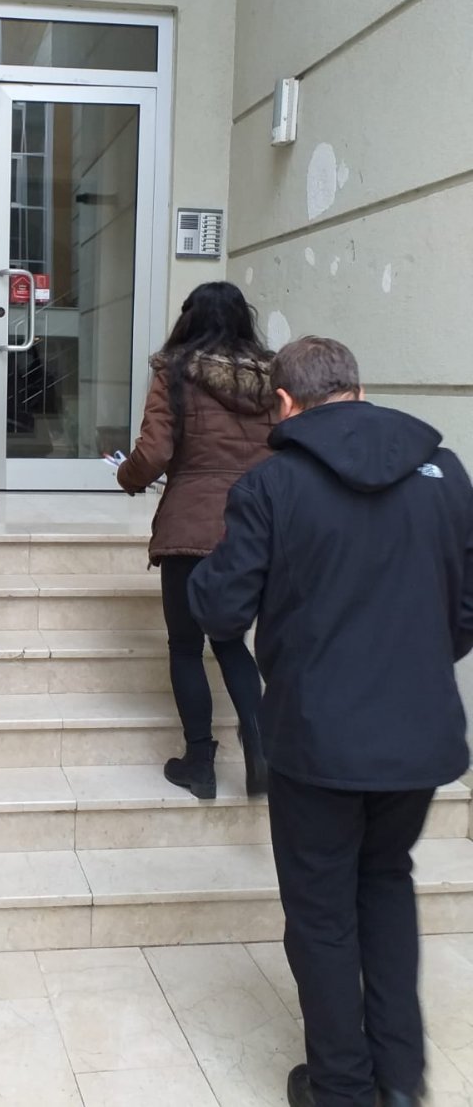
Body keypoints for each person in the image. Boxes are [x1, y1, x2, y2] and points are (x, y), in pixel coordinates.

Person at [188, 336, 473, 1107]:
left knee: (320, 913)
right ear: (359, 388)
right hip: (418, 736)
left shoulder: (271, 484)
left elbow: (220, 608)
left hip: (317, 740)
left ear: (284, 403)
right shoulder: (446, 473)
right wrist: (414, 666)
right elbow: (466, 608)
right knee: (386, 883)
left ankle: (342, 1088)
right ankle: (400, 1080)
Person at [116, 281, 275, 799]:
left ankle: (200, 764)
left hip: (190, 527)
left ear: (189, 319)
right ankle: (261, 753)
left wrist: (127, 476)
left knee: (185, 646)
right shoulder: (273, 379)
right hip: (252, 528)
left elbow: (154, 452)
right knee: (229, 639)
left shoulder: (175, 371)